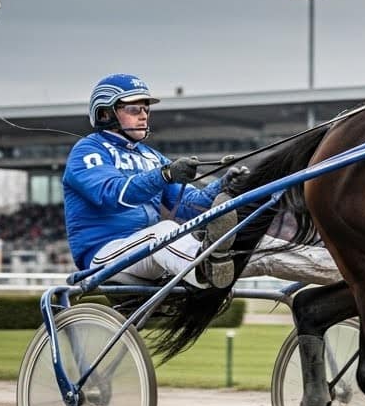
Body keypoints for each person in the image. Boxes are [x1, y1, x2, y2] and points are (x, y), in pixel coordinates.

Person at [63, 73, 340, 289]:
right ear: (105, 113)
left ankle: (342, 270)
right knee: (165, 230)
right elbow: (112, 195)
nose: (144, 114)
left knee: (253, 245)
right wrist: (165, 174)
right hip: (105, 256)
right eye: (134, 109)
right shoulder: (88, 150)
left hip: (152, 254)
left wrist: (224, 185)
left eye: (146, 108)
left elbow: (189, 206)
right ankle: (204, 267)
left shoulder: (151, 155)